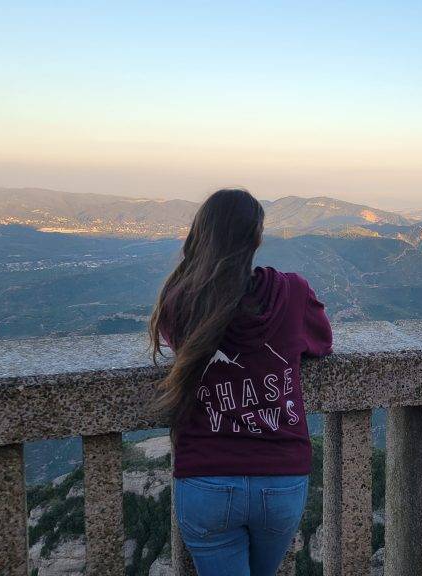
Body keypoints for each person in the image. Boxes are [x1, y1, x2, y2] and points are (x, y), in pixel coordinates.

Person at [149, 188, 333, 575]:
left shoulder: (181, 301)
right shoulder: (293, 292)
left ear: (200, 235)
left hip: (206, 480)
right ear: (257, 239)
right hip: (281, 478)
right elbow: (322, 341)